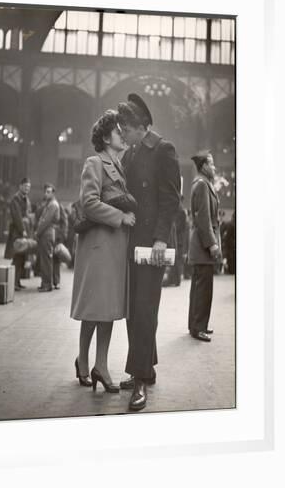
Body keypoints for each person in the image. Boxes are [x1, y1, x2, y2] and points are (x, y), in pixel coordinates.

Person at [117, 93, 181, 411]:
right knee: (135, 309)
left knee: (144, 310)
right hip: (132, 243)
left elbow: (170, 200)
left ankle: (140, 379)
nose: (122, 135)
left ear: (138, 127)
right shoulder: (132, 153)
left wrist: (160, 240)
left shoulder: (163, 150)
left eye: (125, 129)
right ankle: (146, 368)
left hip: (151, 246)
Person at [70, 110, 136, 392]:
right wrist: (120, 217)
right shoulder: (95, 163)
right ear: (106, 137)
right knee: (96, 308)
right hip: (99, 247)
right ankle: (87, 362)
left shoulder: (119, 167)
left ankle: (98, 364)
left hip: (113, 249)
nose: (123, 135)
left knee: (107, 309)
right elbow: (88, 202)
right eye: (118, 131)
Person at [187, 151, 222, 342]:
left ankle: (195, 326)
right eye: (212, 163)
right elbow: (203, 218)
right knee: (203, 289)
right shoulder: (201, 185)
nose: (214, 168)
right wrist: (212, 244)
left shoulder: (203, 183)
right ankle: (198, 328)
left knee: (198, 287)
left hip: (200, 246)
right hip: (203, 246)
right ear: (204, 166)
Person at [4, 177, 32, 291]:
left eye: (29, 187)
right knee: (17, 257)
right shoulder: (15, 199)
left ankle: (17, 281)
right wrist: (23, 230)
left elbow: (27, 215)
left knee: (21, 257)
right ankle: (14, 282)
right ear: (20, 186)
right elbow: (17, 217)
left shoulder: (26, 199)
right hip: (17, 232)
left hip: (24, 231)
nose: (27, 189)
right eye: (25, 186)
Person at [35, 184, 60, 292]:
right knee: (44, 260)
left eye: (49, 192)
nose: (46, 194)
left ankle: (47, 284)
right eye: (45, 192)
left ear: (53, 193)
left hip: (47, 234)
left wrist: (37, 232)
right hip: (46, 234)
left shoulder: (53, 205)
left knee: (46, 260)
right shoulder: (49, 204)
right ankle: (45, 283)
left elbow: (46, 221)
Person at [53, 202, 69, 289]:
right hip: (48, 236)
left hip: (57, 237)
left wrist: (62, 235)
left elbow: (64, 222)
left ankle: (56, 281)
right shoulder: (45, 205)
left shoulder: (59, 205)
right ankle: (49, 282)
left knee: (56, 259)